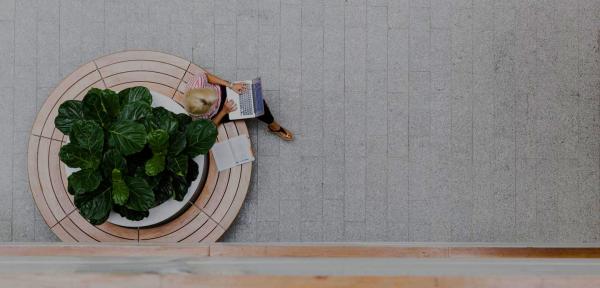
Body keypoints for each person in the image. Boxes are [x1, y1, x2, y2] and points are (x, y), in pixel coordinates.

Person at [183, 71, 293, 141]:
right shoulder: (198, 116)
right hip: (222, 111)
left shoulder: (198, 83)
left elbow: (207, 76)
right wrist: (223, 111)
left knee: (258, 102)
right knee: (257, 106)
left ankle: (272, 123)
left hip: (223, 91)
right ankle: (273, 126)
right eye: (212, 103)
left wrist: (230, 85)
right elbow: (210, 126)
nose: (215, 100)